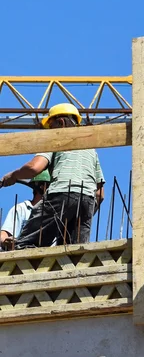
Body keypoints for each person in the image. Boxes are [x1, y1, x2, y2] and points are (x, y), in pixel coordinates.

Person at [0, 103, 105, 248]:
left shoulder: (56, 139)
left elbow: (33, 168)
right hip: (87, 201)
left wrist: (13, 175)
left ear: (60, 122)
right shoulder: (91, 150)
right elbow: (100, 194)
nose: (50, 131)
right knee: (73, 254)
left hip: (61, 194)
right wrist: (82, 214)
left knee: (27, 245)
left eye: (51, 126)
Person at [0, 171, 50, 250]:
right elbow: (3, 235)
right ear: (43, 187)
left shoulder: (54, 212)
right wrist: (6, 241)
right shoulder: (22, 209)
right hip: (19, 257)